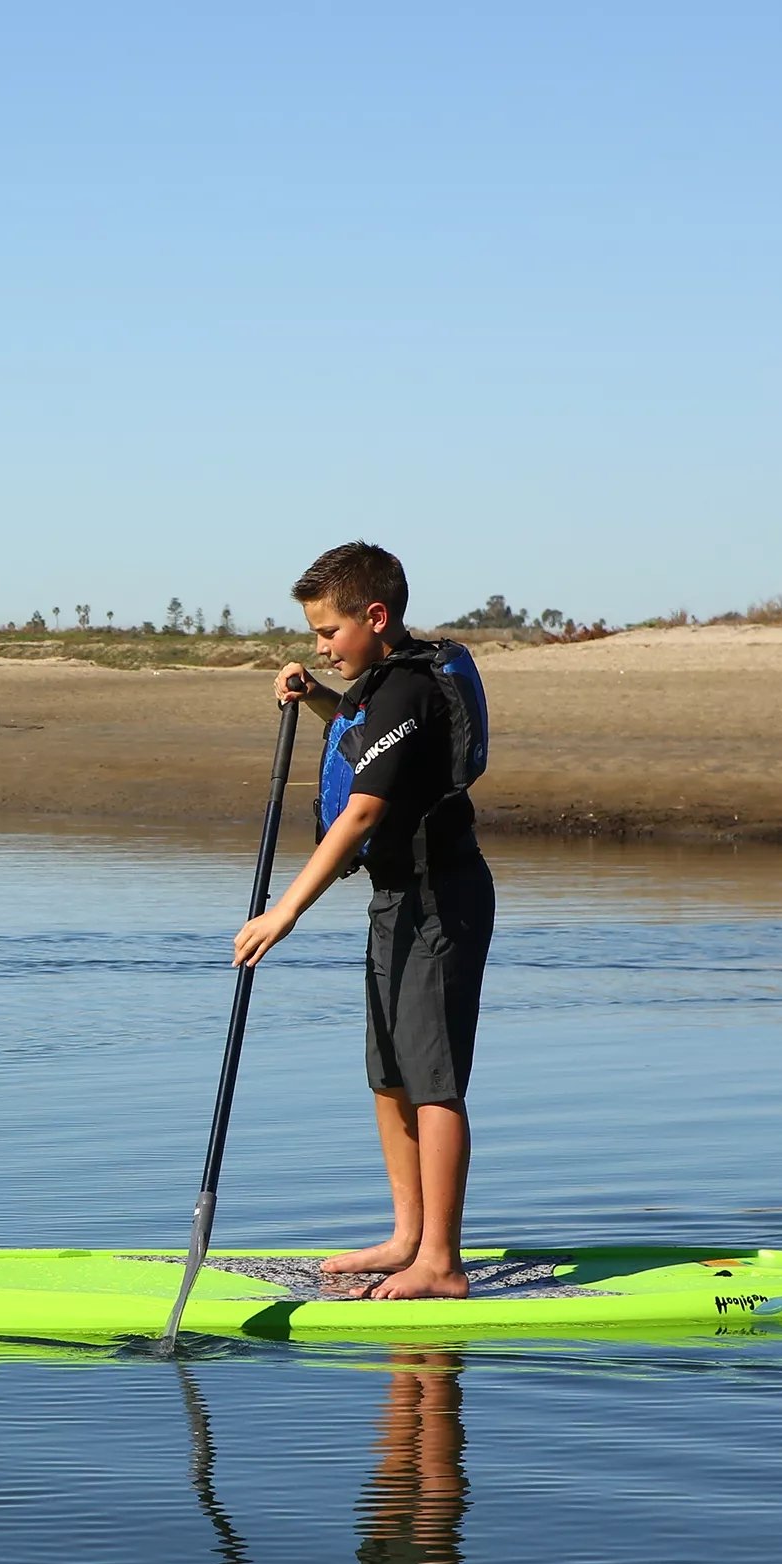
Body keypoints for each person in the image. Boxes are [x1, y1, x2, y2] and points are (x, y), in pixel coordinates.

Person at [233, 541, 495, 1300]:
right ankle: (408, 1236)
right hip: (395, 898)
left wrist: (283, 912)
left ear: (375, 617)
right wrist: (317, 693)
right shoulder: (382, 686)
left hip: (440, 900)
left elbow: (364, 811)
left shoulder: (407, 691)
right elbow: (362, 737)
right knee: (388, 1075)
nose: (320, 646)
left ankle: (441, 1263)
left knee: (434, 1079)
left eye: (329, 633)